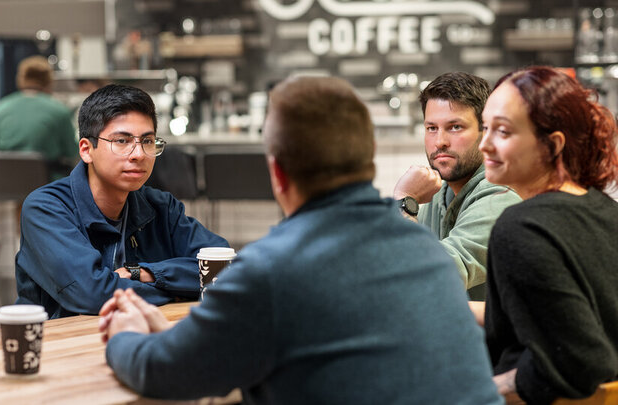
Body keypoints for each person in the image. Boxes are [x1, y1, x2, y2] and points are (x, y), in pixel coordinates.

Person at [98, 76, 503, 404]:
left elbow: (165, 373)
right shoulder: (424, 252)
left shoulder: (270, 270)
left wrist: (125, 335)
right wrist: (173, 337)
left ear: (277, 173)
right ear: (369, 159)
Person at [15, 84, 229, 319]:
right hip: (62, 346)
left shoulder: (160, 207)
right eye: (122, 141)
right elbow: (93, 295)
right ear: (87, 150)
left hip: (139, 342)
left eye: (147, 141)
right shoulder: (46, 209)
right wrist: (177, 292)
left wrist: (144, 273)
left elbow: (225, 268)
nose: (138, 154)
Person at [478, 66, 618, 404]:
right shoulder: (604, 209)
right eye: (485, 127)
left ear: (552, 145)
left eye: (503, 132)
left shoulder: (521, 227)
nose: (484, 144)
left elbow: (583, 362)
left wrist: (484, 389)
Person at [393, 72, 520, 298]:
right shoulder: (439, 191)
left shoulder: (501, 196)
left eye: (455, 127)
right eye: (431, 128)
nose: (440, 141)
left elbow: (434, 278)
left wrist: (405, 201)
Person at [0, 55, 78, 180]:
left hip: (8, 183)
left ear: (20, 79)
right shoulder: (59, 110)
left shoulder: (0, 109)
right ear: (49, 81)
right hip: (47, 185)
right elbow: (71, 151)